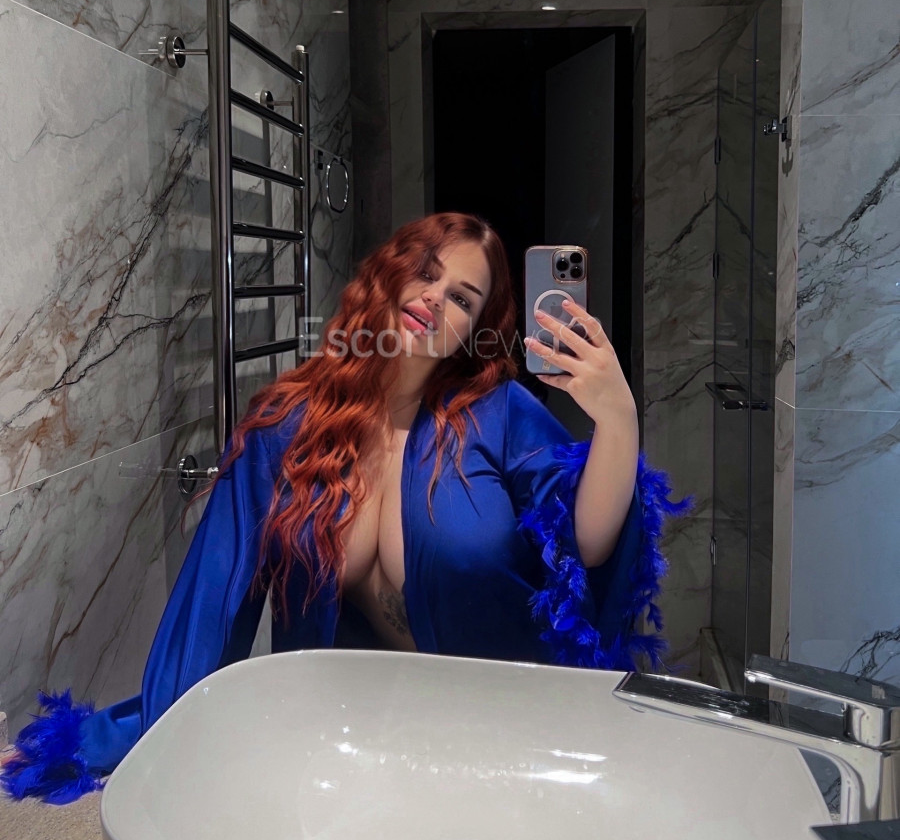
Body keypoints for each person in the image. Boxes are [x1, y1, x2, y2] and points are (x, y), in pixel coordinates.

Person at [2, 212, 689, 804]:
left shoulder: (500, 413)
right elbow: (212, 603)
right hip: (353, 741)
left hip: (504, 736)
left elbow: (586, 547)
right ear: (390, 274)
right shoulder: (288, 428)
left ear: (476, 329)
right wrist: (119, 741)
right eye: (425, 272)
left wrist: (617, 416)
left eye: (461, 297)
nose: (434, 297)